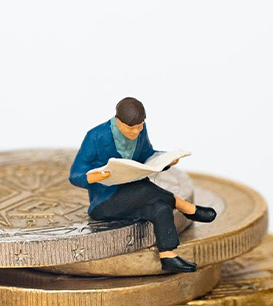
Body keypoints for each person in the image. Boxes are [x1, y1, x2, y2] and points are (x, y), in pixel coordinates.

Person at [69, 97, 217, 273]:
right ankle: (188, 208)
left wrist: (165, 160)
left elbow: (147, 154)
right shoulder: (96, 136)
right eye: (131, 128)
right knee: (145, 189)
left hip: (135, 194)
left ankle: (167, 256)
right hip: (105, 202)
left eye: (140, 126)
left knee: (160, 207)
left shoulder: (140, 130)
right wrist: (93, 177)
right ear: (118, 121)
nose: (136, 132)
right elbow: (75, 174)